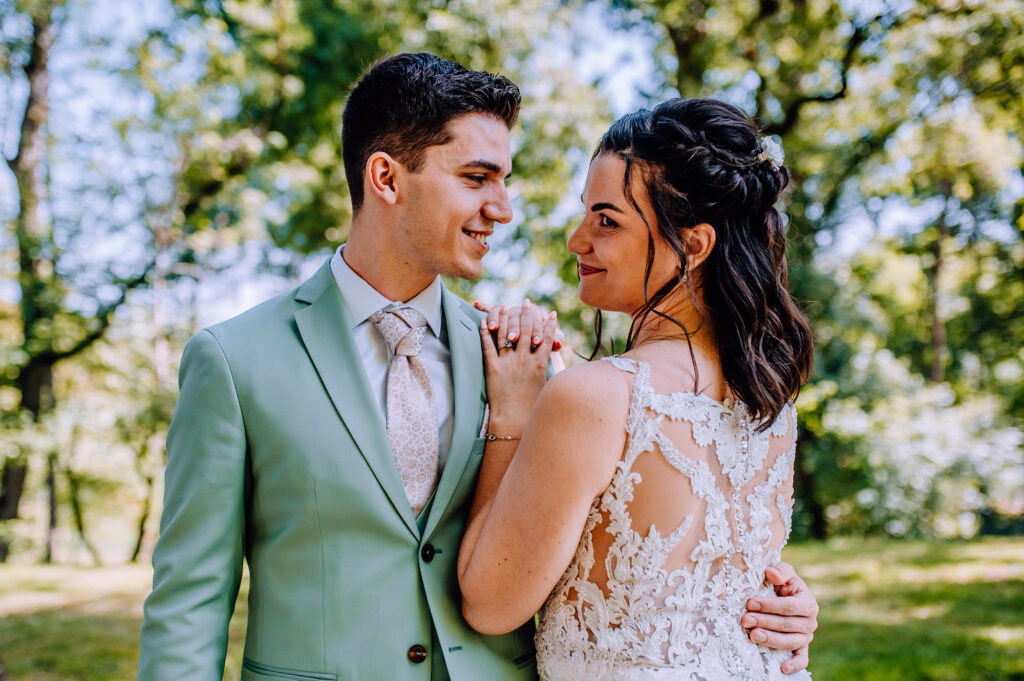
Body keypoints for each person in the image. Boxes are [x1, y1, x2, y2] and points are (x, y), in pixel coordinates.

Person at [137, 52, 815, 681]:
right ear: (386, 177)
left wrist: (766, 605)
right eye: (476, 178)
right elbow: (189, 603)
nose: (504, 208)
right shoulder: (235, 361)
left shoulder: (537, 362)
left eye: (504, 180)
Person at [458, 98, 818, 680]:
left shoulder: (596, 397)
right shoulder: (772, 406)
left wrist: (513, 415)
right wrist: (795, 608)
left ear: (695, 246)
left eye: (607, 220)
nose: (577, 240)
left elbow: (491, 604)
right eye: (585, 214)